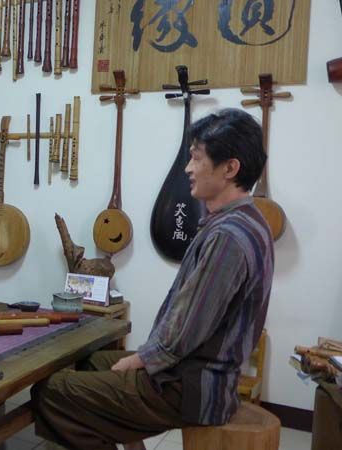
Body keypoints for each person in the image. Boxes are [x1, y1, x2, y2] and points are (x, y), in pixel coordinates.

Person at [31, 109, 274, 450]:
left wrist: (142, 360)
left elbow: (191, 326)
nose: (188, 168)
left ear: (229, 168)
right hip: (194, 375)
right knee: (88, 363)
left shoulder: (228, 236)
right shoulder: (247, 220)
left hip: (194, 387)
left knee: (51, 393)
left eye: (197, 158)